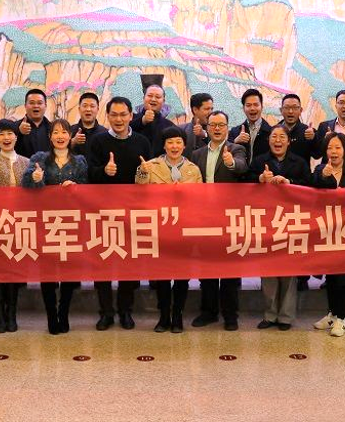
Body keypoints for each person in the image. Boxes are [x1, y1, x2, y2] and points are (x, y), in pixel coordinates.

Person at [88, 96, 152, 330]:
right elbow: (89, 174)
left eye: (123, 114)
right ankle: (106, 312)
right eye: (114, 115)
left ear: (131, 116)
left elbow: (147, 176)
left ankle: (126, 310)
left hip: (133, 212)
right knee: (102, 263)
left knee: (130, 264)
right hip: (103, 212)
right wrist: (104, 171)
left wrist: (146, 172)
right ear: (107, 116)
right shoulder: (98, 141)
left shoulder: (142, 142)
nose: (118, 119)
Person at [22, 118, 87, 335]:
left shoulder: (79, 161)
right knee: (47, 271)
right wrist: (36, 178)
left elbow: (87, 189)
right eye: (56, 132)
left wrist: (76, 187)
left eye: (64, 132)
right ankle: (51, 315)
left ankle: (63, 312)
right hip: (45, 223)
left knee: (69, 271)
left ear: (70, 136)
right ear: (50, 137)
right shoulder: (39, 158)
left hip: (71, 223)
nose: (60, 136)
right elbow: (25, 185)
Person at [135, 126, 202, 333]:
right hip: (160, 229)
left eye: (178, 142)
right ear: (164, 145)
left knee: (182, 277)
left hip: (184, 230)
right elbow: (139, 189)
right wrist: (142, 172)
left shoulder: (193, 169)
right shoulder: (151, 165)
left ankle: (178, 316)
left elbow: (201, 199)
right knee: (162, 276)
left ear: (184, 145)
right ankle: (164, 316)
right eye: (170, 142)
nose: (174, 146)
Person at [189, 111, 248, 331]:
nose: (216, 128)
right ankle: (209, 312)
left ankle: (230, 316)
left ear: (227, 128)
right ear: (207, 127)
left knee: (230, 270)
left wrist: (231, 163)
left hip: (229, 218)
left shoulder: (236, 149)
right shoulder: (197, 154)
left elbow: (242, 166)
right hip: (204, 218)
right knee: (207, 270)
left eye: (221, 125)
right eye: (212, 124)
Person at [248, 125, 310, 331]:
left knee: (289, 272)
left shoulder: (299, 162)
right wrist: (260, 179)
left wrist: (289, 182)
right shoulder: (259, 162)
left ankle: (285, 316)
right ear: (268, 141)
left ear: (289, 141)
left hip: (291, 221)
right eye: (274, 136)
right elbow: (244, 182)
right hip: (266, 222)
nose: (277, 140)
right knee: (268, 271)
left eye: (282, 137)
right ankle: (270, 314)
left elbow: (309, 184)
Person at [311, 133, 345, 337]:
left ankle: (342, 318)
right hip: (328, 231)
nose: (333, 152)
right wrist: (323, 178)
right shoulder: (319, 169)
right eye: (330, 148)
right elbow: (310, 194)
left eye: (338, 147)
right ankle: (332, 314)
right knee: (332, 275)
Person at [0, 119, 30, 333]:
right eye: (1, 134)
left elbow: (32, 188)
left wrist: (37, 179)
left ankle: (11, 315)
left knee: (13, 271)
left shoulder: (26, 162)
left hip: (18, 224)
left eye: (10, 133)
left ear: (16, 137)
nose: (6, 137)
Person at [230, 88, 273, 164]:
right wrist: (235, 142)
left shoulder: (271, 132)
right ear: (243, 108)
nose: (252, 108)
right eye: (248, 105)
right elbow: (225, 153)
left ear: (262, 107)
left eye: (256, 105)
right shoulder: (235, 132)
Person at [130, 84, 176, 156]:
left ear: (163, 101)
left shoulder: (169, 126)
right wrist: (143, 121)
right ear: (144, 98)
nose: (153, 99)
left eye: (158, 97)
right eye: (150, 96)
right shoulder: (131, 119)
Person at [278, 93, 315, 163]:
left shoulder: (308, 132)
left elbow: (317, 155)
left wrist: (314, 138)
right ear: (281, 110)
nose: (290, 111)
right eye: (287, 107)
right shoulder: (273, 131)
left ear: (300, 110)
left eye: (295, 108)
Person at [15, 88, 51, 158]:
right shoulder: (15, 127)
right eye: (31, 103)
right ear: (25, 106)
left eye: (39, 103)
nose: (36, 106)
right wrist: (19, 132)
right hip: (23, 165)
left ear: (45, 106)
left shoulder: (52, 128)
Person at [70, 92, 107, 157]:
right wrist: (73, 142)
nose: (88, 109)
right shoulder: (70, 131)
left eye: (92, 106)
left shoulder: (105, 133)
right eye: (85, 106)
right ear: (79, 109)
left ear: (97, 109)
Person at [179, 93, 213, 160]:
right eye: (207, 109)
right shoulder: (181, 130)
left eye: (212, 109)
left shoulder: (216, 130)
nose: (211, 112)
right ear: (195, 110)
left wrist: (205, 136)